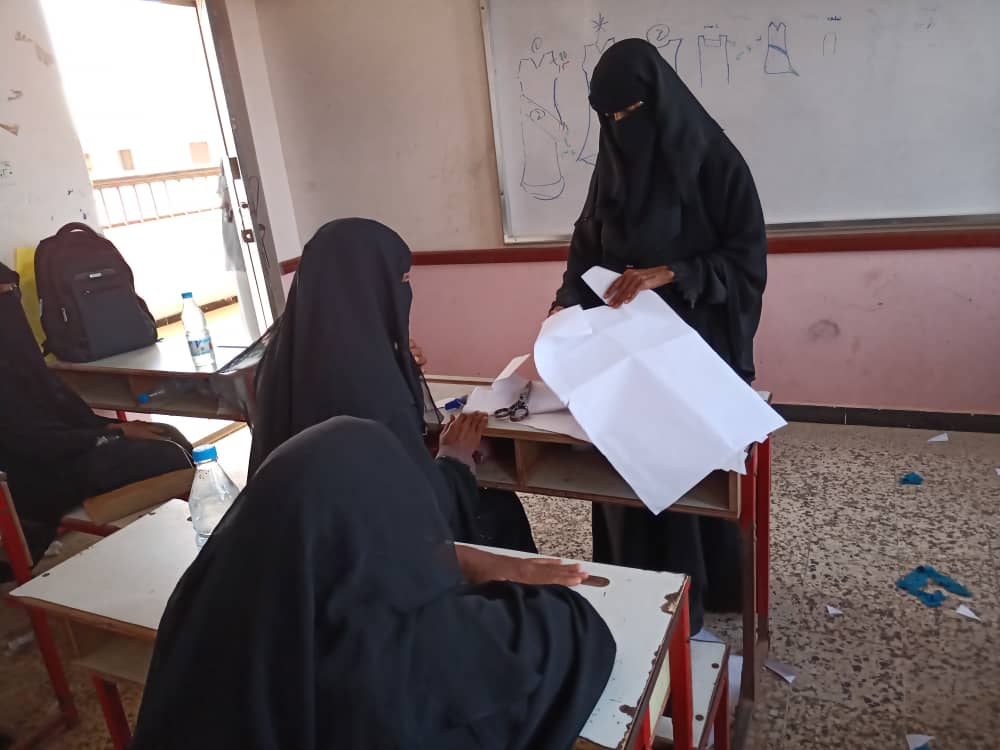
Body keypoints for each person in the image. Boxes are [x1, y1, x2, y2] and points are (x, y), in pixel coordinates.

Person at [132, 417, 616, 750]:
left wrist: (447, 561)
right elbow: (573, 628)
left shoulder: (205, 608)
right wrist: (477, 577)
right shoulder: (397, 655)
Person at [551, 39, 768, 630]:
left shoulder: (715, 163)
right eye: (609, 118)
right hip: (621, 353)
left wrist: (671, 272)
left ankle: (694, 594)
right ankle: (632, 587)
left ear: (660, 103)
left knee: (682, 477)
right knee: (624, 472)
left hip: (690, 349)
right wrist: (563, 303)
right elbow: (585, 249)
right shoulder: (613, 165)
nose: (620, 127)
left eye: (630, 113)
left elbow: (746, 260)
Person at [249, 218, 538, 554]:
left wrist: (395, 360)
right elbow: (417, 505)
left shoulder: (282, 350)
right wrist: (455, 458)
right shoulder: (373, 384)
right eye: (402, 280)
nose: (405, 290)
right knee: (501, 509)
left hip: (290, 532)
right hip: (360, 549)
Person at [0, 263, 193, 575]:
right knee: (171, 455)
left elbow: (66, 412)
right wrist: (116, 434)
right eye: (3, 295)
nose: (11, 301)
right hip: (47, 473)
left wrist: (115, 428)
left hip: (71, 451)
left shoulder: (21, 359)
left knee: (169, 434)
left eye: (13, 292)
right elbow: (37, 443)